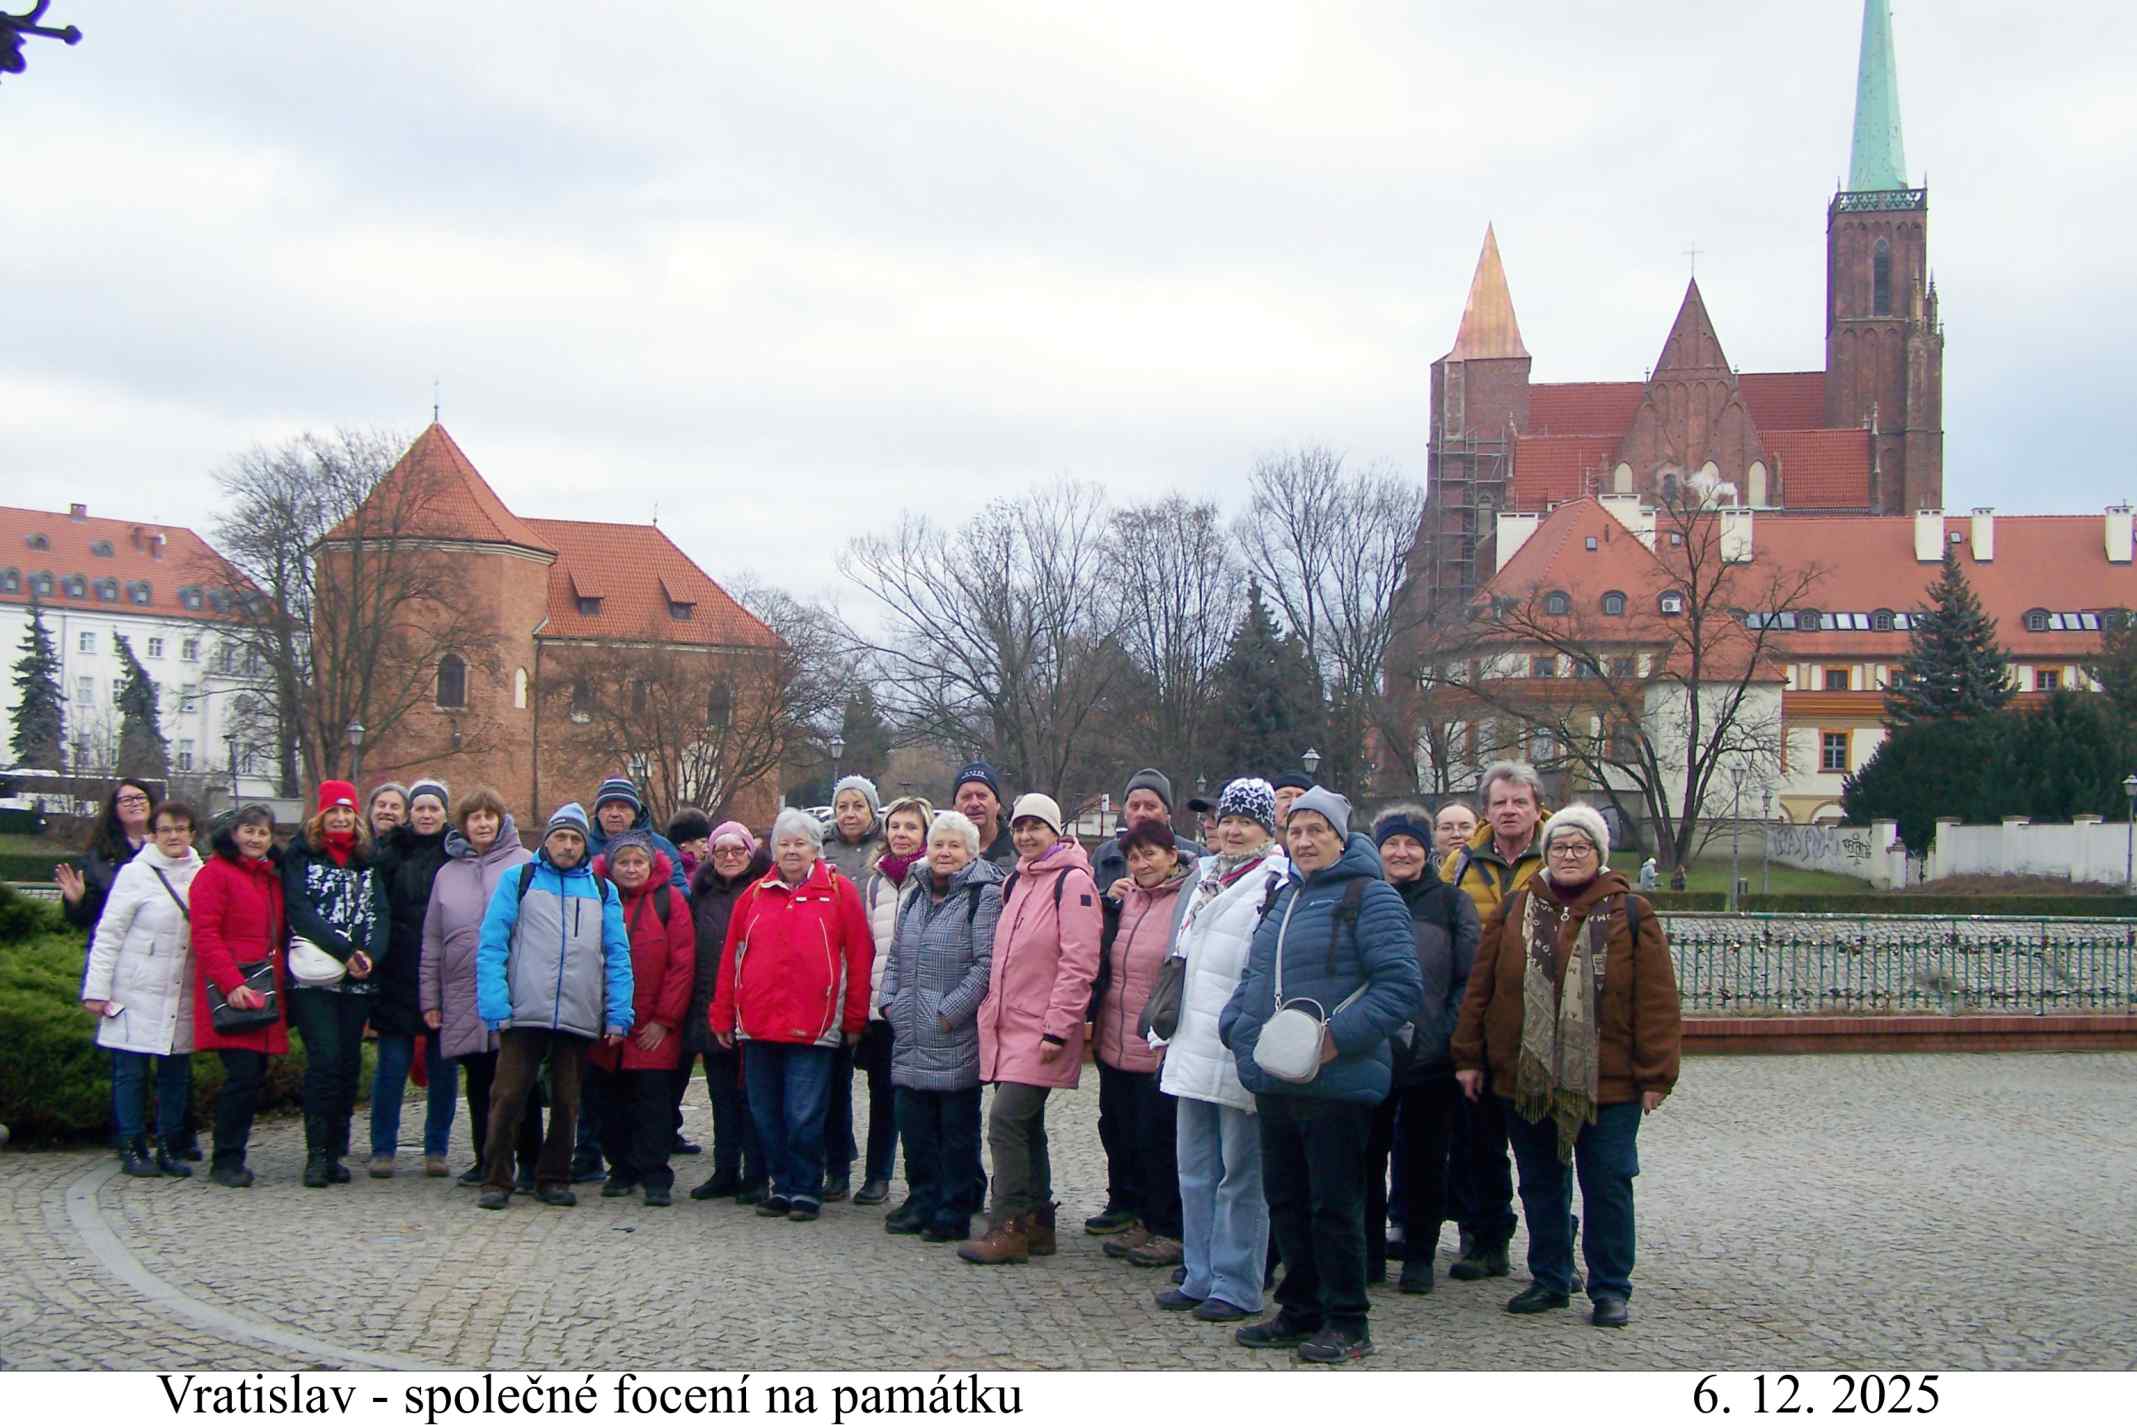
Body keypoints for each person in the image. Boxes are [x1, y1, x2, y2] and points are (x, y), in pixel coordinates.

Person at [1452, 804, 1681, 1329]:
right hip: (1526, 1076)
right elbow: (1481, 989)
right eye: (1559, 847)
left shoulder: (1630, 911)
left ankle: (1609, 1288)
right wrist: (1469, 1056)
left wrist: (1656, 1074)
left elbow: (1657, 1000)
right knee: (1539, 1182)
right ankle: (1551, 1277)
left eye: (1580, 847)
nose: (1569, 855)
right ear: (1545, 854)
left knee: (1607, 1182)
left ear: (1599, 854)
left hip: (1610, 1080)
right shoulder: (1515, 908)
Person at [1220, 787, 1423, 1365]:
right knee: (1284, 1198)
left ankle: (1347, 1319)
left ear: (1340, 837)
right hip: (1277, 1077)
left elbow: (1401, 988)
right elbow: (1254, 975)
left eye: (1317, 831)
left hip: (1338, 1080)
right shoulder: (1284, 898)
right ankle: (1300, 1307)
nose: (1305, 841)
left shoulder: (1372, 897)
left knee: (1334, 1204)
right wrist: (1238, 1032)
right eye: (1297, 831)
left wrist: (1333, 1042)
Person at [1153, 777, 1288, 1324]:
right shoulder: (1204, 877)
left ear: (1265, 829)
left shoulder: (1275, 881)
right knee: (1195, 1168)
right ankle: (1199, 1271)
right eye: (1226, 820)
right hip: (1191, 1038)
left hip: (1237, 1044)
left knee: (1241, 1174)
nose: (1232, 830)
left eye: (1246, 822)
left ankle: (1236, 1282)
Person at [708, 808, 873, 1222]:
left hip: (813, 1025)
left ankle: (805, 1187)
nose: (792, 850)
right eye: (784, 843)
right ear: (773, 849)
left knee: (804, 1113)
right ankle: (780, 1186)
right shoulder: (754, 896)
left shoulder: (839, 893)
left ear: (816, 849)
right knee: (765, 1112)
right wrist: (722, 1014)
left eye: (800, 843)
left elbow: (858, 955)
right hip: (759, 1023)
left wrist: (854, 1018)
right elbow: (732, 957)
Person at [960, 794, 1101, 1266]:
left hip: (1043, 1029)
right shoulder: (1018, 881)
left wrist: (1060, 1028)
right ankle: (1039, 1222)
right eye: (1019, 827)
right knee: (1026, 1125)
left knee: (1005, 1121)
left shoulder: (1073, 882)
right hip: (1010, 1026)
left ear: (1055, 831)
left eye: (1035, 827)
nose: (1024, 836)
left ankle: (1009, 1226)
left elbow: (1079, 962)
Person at [473, 803, 634, 1209]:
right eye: (560, 837)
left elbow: (617, 955)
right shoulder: (519, 879)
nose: (567, 845)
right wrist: (494, 1003)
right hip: (523, 1011)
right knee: (508, 1097)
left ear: (585, 845)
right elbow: (492, 945)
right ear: (546, 841)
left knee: (567, 1101)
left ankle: (554, 1177)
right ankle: (496, 1178)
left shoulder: (602, 890)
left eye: (575, 839)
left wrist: (618, 1014)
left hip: (577, 1013)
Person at [1440, 760, 1551, 1284]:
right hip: (1477, 1016)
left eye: (1519, 802)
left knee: (1545, 1144)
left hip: (1542, 1019)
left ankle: (1553, 1248)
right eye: (1500, 802)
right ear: (1486, 810)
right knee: (1477, 1142)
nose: (1509, 811)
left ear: (1536, 807)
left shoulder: (1561, 852)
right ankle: (1486, 1239)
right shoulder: (1461, 865)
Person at [1363, 804, 1481, 1294]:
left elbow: (1466, 979)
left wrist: (1446, 1037)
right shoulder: (1364, 897)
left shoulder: (1452, 903)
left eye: (1411, 843)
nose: (1402, 852)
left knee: (1425, 1160)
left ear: (1426, 849)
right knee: (1365, 1158)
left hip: (1432, 1054)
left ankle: (1418, 1256)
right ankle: (1368, 1253)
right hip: (1370, 1049)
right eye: (1392, 843)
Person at [879, 810, 1001, 1243]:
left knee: (955, 1131)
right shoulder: (916, 892)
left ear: (970, 852)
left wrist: (949, 1012)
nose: (944, 853)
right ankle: (922, 1197)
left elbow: (986, 966)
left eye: (954, 845)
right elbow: (896, 956)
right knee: (914, 1126)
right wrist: (890, 1002)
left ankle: (954, 1206)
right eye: (938, 844)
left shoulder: (983, 895)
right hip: (910, 1030)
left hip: (952, 1032)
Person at [1091, 818, 1199, 1269]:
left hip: (1157, 1040)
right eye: (1134, 857)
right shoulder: (1129, 899)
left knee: (1160, 1138)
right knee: (1121, 1132)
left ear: (1172, 855)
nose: (1142, 864)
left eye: (1151, 854)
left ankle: (1169, 1227)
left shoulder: (1188, 899)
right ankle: (1139, 1214)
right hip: (1116, 1035)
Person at [421, 787, 540, 1189]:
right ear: (464, 825)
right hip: (462, 992)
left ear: (502, 820)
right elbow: (432, 941)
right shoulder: (446, 873)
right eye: (475, 817)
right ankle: (485, 1159)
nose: (483, 823)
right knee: (477, 1083)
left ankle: (529, 1161)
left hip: (512, 989)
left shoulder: (526, 864)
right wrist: (430, 1000)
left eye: (491, 815)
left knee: (518, 1082)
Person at [80, 800, 202, 1179]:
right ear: (152, 834)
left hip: (181, 989)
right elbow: (109, 934)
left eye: (180, 829)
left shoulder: (203, 874)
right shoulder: (136, 874)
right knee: (130, 1072)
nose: (173, 836)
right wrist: (96, 989)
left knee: (174, 1074)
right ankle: (132, 1145)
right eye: (165, 829)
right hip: (135, 990)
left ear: (192, 834)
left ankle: (169, 1144)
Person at [579, 775, 689, 1179]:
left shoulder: (668, 896)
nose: (629, 869)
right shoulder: (592, 888)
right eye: (622, 863)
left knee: (652, 1101)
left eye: (637, 862)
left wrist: (665, 1019)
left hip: (653, 1017)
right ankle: (618, 1167)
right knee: (606, 1098)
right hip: (604, 1017)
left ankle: (653, 1170)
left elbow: (682, 962)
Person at [283, 780, 390, 1189]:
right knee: (324, 1062)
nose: (342, 819)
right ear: (321, 816)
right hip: (315, 977)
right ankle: (316, 1153)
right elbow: (299, 909)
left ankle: (336, 1152)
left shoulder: (368, 859)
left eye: (347, 812)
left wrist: (370, 955)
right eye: (334, 812)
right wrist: (344, 951)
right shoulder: (301, 856)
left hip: (359, 978)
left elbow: (380, 910)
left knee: (347, 1064)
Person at [188, 803, 288, 1188]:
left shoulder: (269, 878)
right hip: (236, 989)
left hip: (264, 989)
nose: (255, 838)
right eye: (249, 830)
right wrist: (231, 984)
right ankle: (226, 1158)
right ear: (233, 833)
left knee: (252, 1078)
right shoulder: (214, 874)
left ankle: (234, 1154)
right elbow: (206, 934)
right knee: (242, 1076)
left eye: (263, 833)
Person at [368, 777, 458, 1178]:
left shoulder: (457, 853)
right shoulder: (390, 851)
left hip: (444, 973)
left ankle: (436, 1147)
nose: (425, 815)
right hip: (397, 969)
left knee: (443, 1068)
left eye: (433, 808)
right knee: (391, 1065)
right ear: (410, 813)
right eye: (419, 808)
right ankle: (382, 1148)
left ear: (444, 814)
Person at [852, 794, 933, 1206]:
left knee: (920, 1098)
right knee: (882, 1094)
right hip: (883, 1006)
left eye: (911, 827)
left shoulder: (935, 877)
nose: (901, 835)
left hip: (923, 1007)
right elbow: (869, 946)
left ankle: (926, 1182)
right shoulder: (875, 883)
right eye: (895, 826)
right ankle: (877, 1175)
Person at [683, 822, 770, 1202]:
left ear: (751, 854)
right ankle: (724, 1169)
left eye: (738, 851)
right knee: (721, 1096)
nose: (730, 857)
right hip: (710, 1005)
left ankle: (756, 1173)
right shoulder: (699, 895)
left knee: (754, 1096)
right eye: (722, 851)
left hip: (753, 1008)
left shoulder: (764, 892)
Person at [820, 774, 888, 1200]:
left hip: (879, 977)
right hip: (832, 978)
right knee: (832, 1080)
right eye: (843, 805)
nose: (849, 813)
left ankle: (879, 1172)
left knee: (882, 1083)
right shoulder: (820, 849)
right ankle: (837, 1165)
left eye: (858, 805)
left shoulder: (887, 851)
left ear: (871, 810)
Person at [1090, 767, 1203, 946]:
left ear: (1167, 814)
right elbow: (1087, 915)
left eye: (1151, 806)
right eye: (1135, 806)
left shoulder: (1195, 856)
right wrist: (1108, 900)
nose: (1141, 813)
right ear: (1125, 813)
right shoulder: (1104, 855)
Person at [58, 779, 157, 948]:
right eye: (126, 800)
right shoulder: (99, 857)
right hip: (111, 948)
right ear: (115, 810)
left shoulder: (170, 849)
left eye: (141, 798)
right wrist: (77, 902)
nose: (135, 803)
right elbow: (85, 919)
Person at [950, 761, 1016, 868]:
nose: (974, 803)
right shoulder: (942, 852)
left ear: (997, 803)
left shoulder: (1020, 847)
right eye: (966, 797)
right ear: (954, 807)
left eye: (981, 796)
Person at [667, 808, 712, 881]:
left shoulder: (705, 872)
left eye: (708, 843)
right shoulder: (670, 874)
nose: (707, 850)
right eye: (703, 842)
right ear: (683, 843)